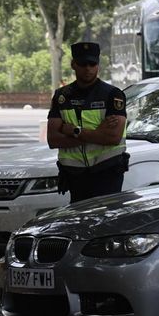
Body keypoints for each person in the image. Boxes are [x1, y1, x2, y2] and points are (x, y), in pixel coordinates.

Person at [46, 42, 129, 203]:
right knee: (79, 224)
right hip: (75, 176)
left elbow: (113, 138)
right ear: (73, 65)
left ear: (98, 65)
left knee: (105, 224)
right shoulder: (62, 97)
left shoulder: (112, 94)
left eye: (92, 64)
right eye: (83, 64)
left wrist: (73, 131)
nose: (88, 68)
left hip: (107, 173)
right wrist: (97, 133)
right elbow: (53, 139)